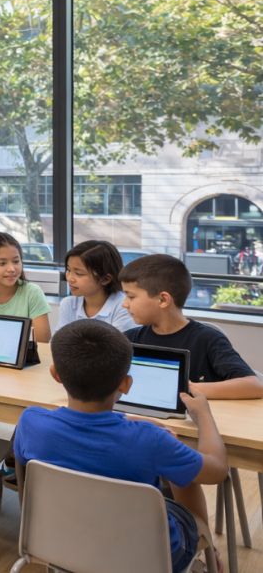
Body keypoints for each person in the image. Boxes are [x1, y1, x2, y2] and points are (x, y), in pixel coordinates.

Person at [13, 319, 226, 572]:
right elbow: (216, 470)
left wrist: (125, 422)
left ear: (55, 374)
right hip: (146, 557)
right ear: (126, 384)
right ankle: (207, 553)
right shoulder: (151, 440)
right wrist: (203, 415)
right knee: (183, 475)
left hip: (60, 542)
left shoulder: (31, 421)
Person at [121, 254, 263, 398]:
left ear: (163, 300)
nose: (124, 304)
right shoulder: (128, 339)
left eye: (131, 296)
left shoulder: (207, 339)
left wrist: (182, 388)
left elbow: (254, 386)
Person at [53, 239, 133, 334]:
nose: (70, 278)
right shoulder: (68, 304)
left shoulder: (124, 306)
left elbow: (117, 347)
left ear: (105, 279)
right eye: (69, 270)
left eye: (79, 273)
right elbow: (58, 343)